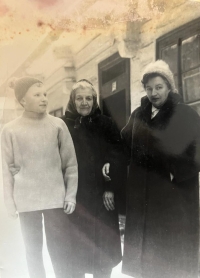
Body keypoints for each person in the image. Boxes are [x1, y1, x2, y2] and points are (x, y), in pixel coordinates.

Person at [121, 60, 200, 278]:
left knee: (170, 252)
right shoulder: (138, 115)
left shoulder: (185, 114)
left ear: (169, 86)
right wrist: (111, 160)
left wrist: (176, 171)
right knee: (146, 254)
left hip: (172, 193)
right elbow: (123, 143)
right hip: (142, 191)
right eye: (149, 88)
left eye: (158, 87)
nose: (153, 93)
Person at [1, 77, 78, 278]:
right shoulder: (9, 130)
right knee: (32, 252)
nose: (44, 99)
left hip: (55, 200)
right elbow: (5, 171)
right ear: (23, 101)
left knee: (61, 250)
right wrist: (9, 202)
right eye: (37, 95)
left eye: (45, 94)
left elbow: (70, 164)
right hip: (26, 201)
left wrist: (70, 195)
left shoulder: (58, 125)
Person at [61, 79, 122, 278]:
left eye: (89, 98)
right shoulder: (63, 126)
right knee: (76, 252)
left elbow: (118, 155)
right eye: (80, 98)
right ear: (72, 100)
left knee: (102, 252)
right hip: (74, 197)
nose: (84, 102)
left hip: (101, 197)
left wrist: (110, 187)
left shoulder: (106, 124)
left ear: (94, 100)